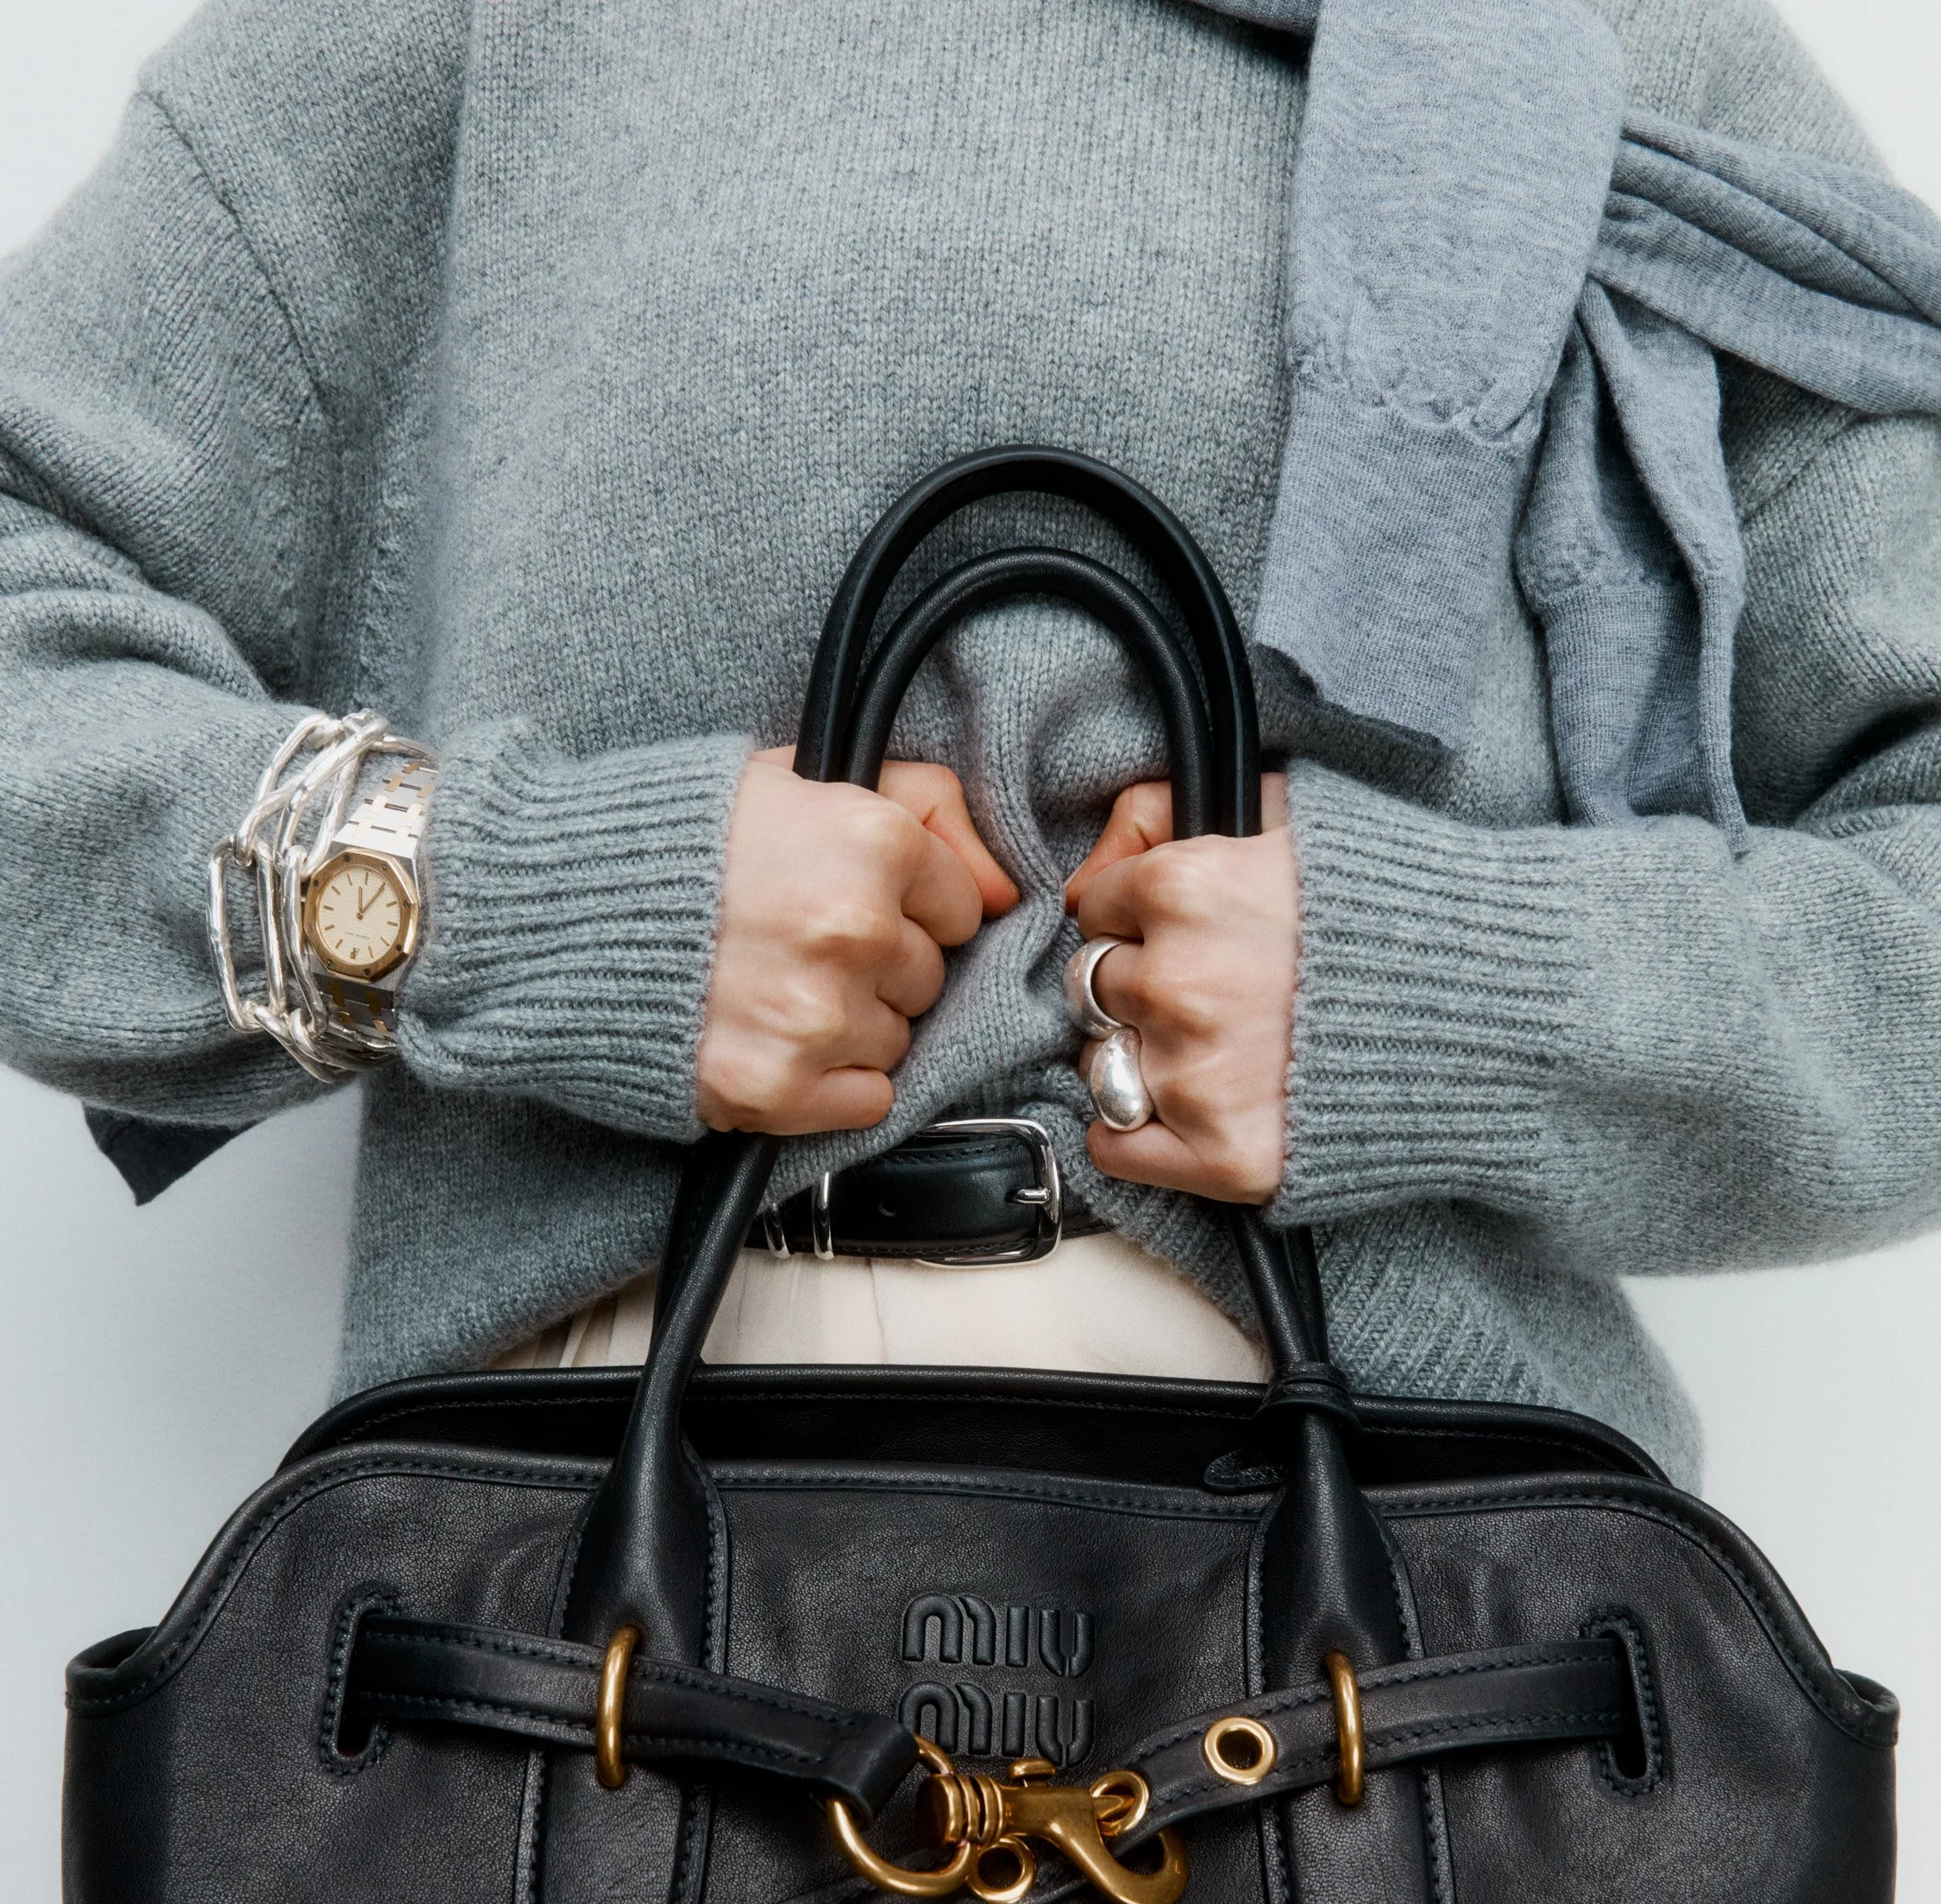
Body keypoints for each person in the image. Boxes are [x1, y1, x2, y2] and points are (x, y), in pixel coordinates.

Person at [2, 0, 1940, 1501]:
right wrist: (515, 903)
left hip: (1440, 1627)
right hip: (571, 1618)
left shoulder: (1604, 41)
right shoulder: (463, 27)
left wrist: (1451, 1005)